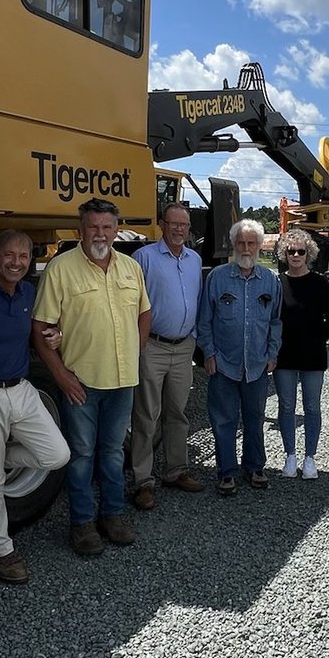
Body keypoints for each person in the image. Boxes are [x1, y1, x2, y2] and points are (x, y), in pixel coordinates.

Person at [32, 199, 150, 556]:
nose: (100, 233)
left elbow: (145, 313)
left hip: (123, 379)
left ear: (117, 229)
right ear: (80, 229)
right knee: (82, 454)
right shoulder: (61, 269)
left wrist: (135, 350)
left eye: (107, 227)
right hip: (81, 382)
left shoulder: (131, 267)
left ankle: (111, 516)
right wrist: (62, 377)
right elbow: (40, 329)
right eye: (93, 226)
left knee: (113, 452)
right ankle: (82, 524)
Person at [0, 230, 70, 584]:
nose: (16, 262)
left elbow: (40, 331)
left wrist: (55, 335)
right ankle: (2, 552)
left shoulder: (29, 292)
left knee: (56, 455)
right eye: (9, 255)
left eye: (24, 257)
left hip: (22, 388)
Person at [196, 218, 282, 496]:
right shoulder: (217, 278)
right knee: (223, 420)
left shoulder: (270, 280)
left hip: (257, 365)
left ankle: (255, 467)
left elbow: (277, 321)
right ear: (233, 246)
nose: (246, 248)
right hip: (223, 363)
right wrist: (208, 353)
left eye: (251, 243)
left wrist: (272, 353)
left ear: (259, 246)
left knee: (255, 418)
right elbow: (204, 320)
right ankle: (227, 472)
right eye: (241, 243)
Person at [128, 203, 205, 509]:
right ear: (162, 225)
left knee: (178, 413)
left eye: (183, 225)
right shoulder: (143, 258)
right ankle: (143, 482)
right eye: (172, 224)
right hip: (153, 346)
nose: (178, 229)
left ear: (188, 228)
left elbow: (197, 300)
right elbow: (131, 303)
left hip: (183, 346)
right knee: (146, 416)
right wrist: (139, 343)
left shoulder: (194, 259)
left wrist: (194, 337)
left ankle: (176, 471)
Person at [274, 228, 329, 480]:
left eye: (301, 251)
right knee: (286, 406)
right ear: (284, 253)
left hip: (313, 355)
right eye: (291, 251)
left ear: (308, 253)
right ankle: (290, 455)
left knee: (312, 406)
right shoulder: (278, 283)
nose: (296, 255)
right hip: (284, 355)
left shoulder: (320, 282)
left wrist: (318, 337)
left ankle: (310, 457)